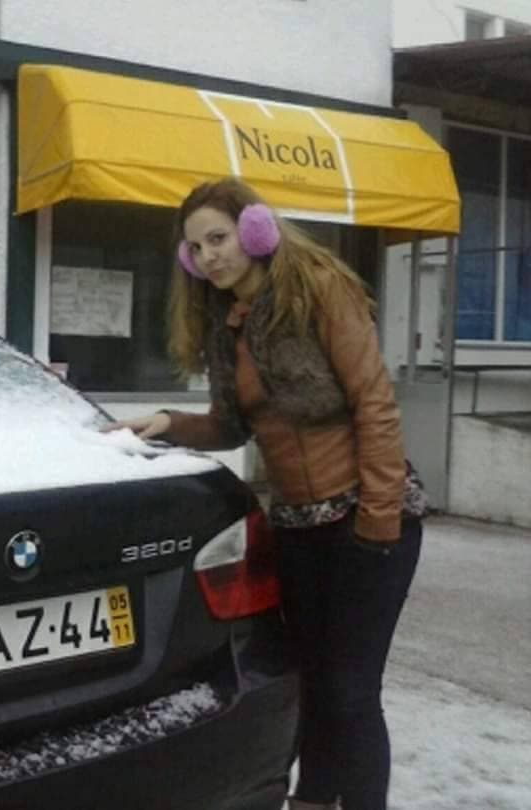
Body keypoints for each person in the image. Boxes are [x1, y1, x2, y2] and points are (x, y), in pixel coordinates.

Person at [106, 178, 427, 810]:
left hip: (368, 514)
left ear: (255, 230)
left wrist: (379, 520)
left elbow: (374, 403)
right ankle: (312, 799)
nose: (209, 256)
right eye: (196, 248)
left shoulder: (317, 291)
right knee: (311, 684)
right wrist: (170, 424)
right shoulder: (228, 326)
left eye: (218, 238)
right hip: (299, 527)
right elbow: (233, 425)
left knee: (352, 691)